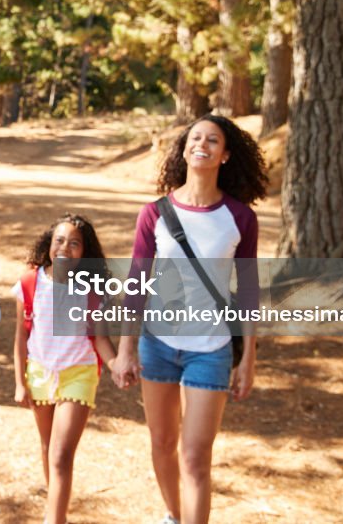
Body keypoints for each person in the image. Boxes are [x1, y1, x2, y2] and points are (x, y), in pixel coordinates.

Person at [110, 115, 267, 524]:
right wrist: (125, 350)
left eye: (213, 140)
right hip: (157, 345)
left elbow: (248, 292)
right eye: (195, 138)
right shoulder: (155, 213)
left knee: (195, 456)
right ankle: (174, 515)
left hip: (211, 350)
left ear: (226, 154)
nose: (203, 144)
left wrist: (248, 358)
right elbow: (137, 284)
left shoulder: (240, 217)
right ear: (183, 149)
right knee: (162, 443)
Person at [13, 214, 117, 524]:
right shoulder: (31, 282)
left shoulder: (91, 289)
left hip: (79, 373)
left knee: (61, 454)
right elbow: (21, 335)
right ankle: (57, 511)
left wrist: (116, 365)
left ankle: (53, 519)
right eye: (59, 240)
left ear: (85, 252)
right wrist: (20, 382)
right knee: (48, 449)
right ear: (48, 244)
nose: (65, 248)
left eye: (74, 243)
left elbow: (100, 338)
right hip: (40, 373)